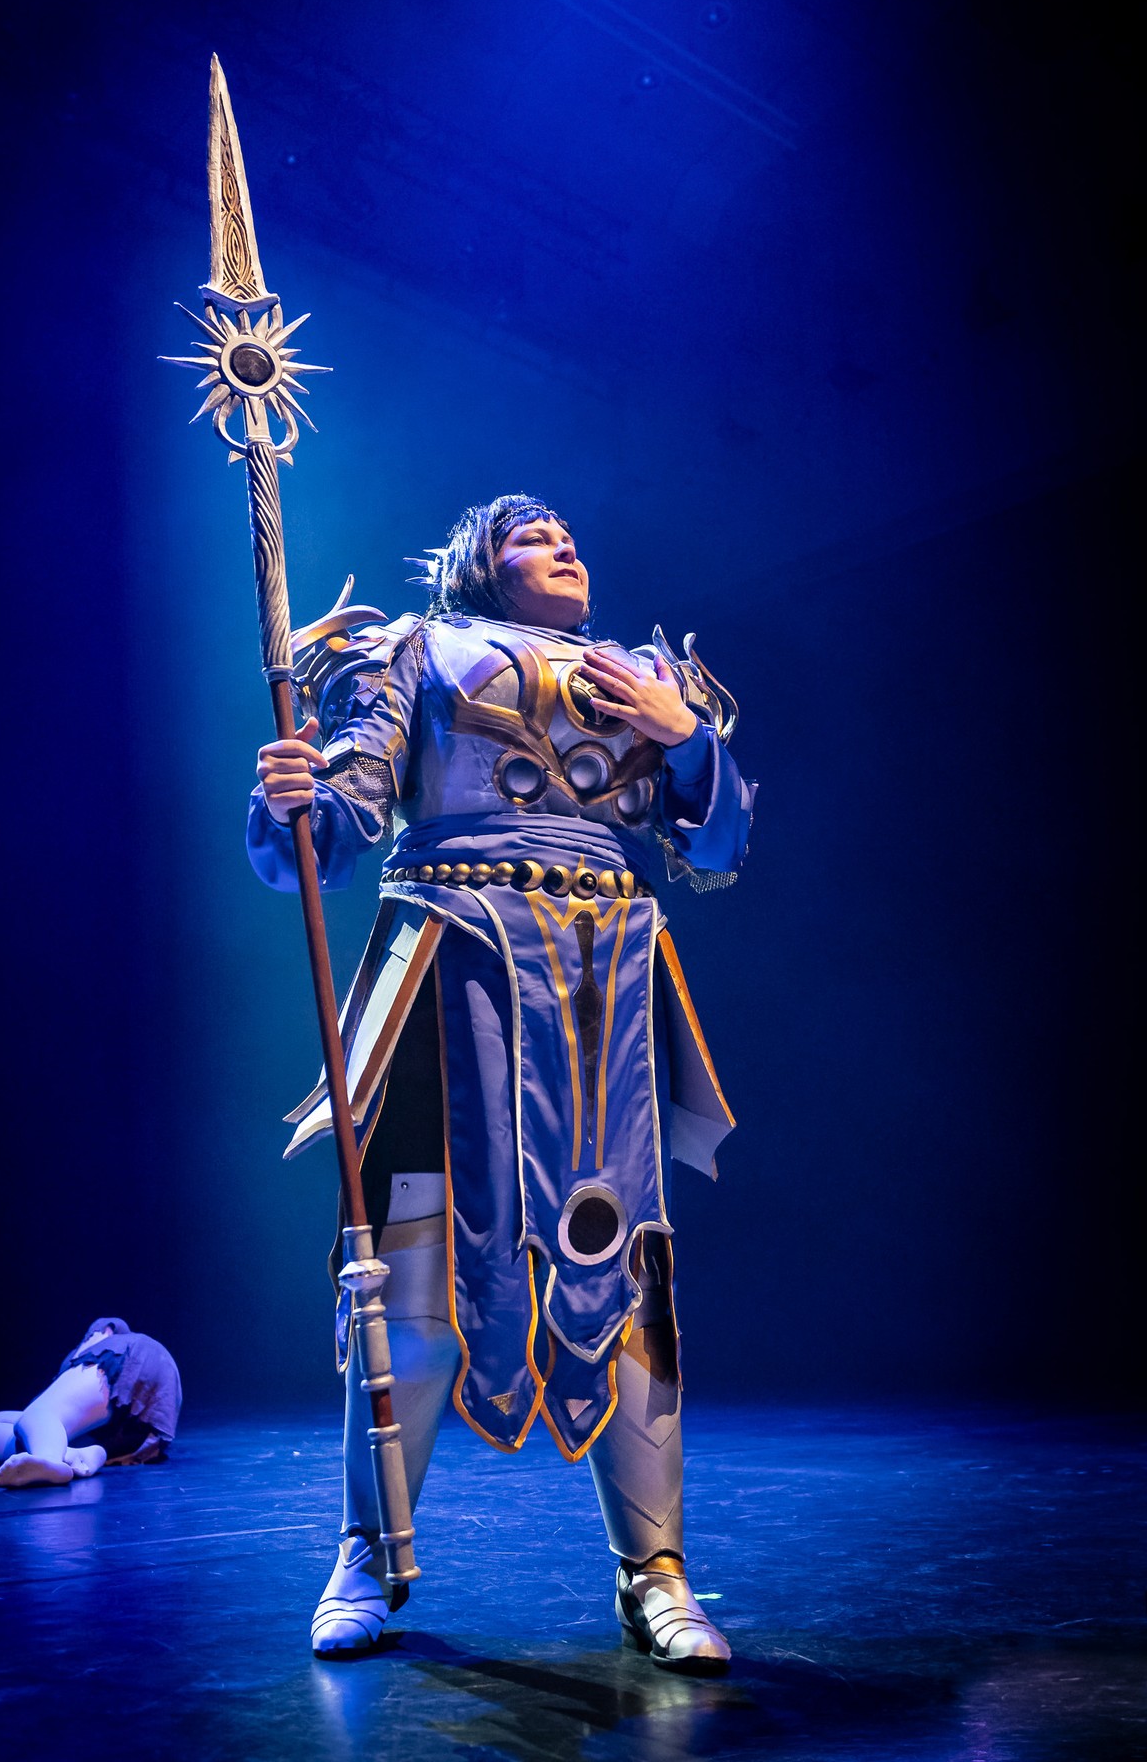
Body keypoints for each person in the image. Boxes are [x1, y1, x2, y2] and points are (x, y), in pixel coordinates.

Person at [249, 495, 755, 1669]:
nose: (562, 543)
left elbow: (718, 849)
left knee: (624, 1266)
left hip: (601, 977)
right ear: (477, 564)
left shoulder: (650, 678)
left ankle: (654, 1572)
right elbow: (334, 828)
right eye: (531, 535)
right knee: (410, 1270)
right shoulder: (414, 651)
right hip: (454, 967)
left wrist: (686, 738)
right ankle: (367, 1552)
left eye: (568, 533)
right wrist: (293, 797)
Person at [0, 1318, 182, 1487]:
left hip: (131, 1360)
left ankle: (48, 1459)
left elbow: (103, 1334)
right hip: (149, 1418)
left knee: (40, 1413)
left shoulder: (108, 1333)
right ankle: (74, 1456)